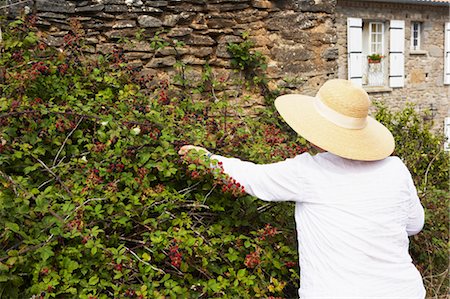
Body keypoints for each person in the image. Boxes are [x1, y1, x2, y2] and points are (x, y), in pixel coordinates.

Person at [178, 79, 425, 299]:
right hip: (404, 290)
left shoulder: (309, 172)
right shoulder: (395, 168)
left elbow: (253, 178)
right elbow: (415, 224)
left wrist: (208, 159)